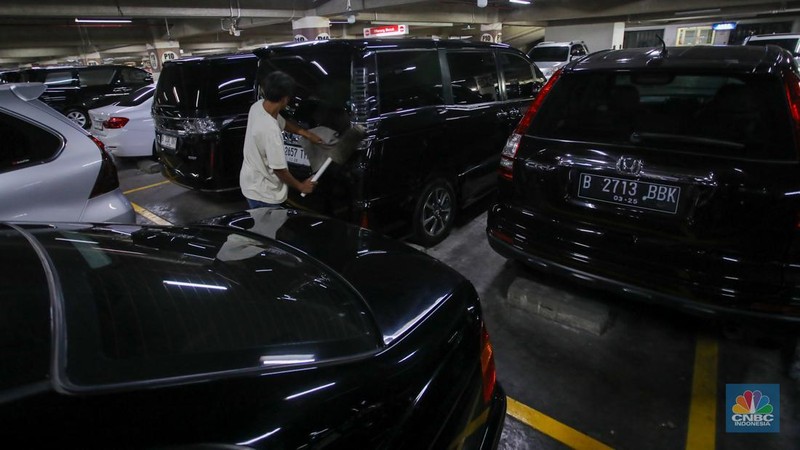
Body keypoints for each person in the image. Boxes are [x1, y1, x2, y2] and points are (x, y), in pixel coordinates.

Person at [240, 70, 324, 208]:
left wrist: (305, 133)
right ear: (285, 99)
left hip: (250, 183)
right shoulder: (271, 131)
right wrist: (301, 186)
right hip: (264, 194)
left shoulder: (258, 107)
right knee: (266, 229)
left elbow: (282, 122)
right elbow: (280, 170)